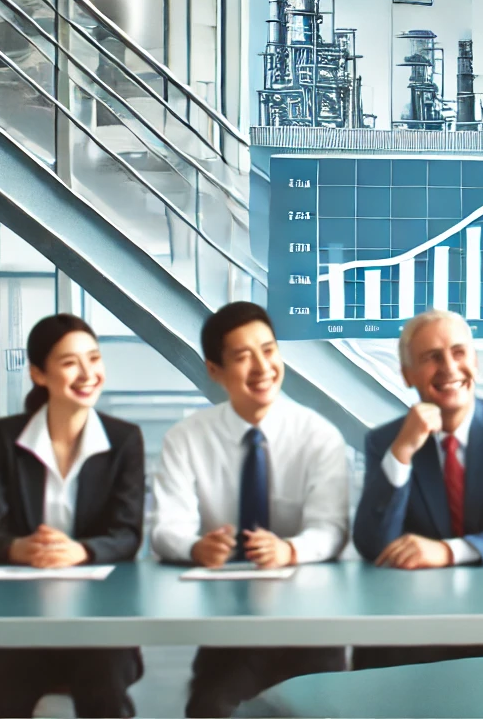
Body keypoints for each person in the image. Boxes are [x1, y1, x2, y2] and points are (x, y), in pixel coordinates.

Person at [150, 302, 350, 717]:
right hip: (229, 626)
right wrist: (194, 548)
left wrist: (290, 550)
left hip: (310, 625)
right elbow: (166, 528)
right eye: (243, 357)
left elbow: (331, 529)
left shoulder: (318, 435)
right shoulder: (186, 438)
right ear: (214, 370)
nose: (262, 367)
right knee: (210, 708)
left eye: (269, 350)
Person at [350, 309, 483, 669]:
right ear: (407, 374)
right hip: (415, 623)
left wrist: (446, 552)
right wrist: (402, 452)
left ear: (474, 361)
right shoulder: (385, 441)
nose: (449, 367)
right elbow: (372, 546)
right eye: (431, 357)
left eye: (459, 352)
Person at [0, 314, 145, 718]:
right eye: (70, 363)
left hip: (100, 620)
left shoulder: (123, 439)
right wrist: (19, 548)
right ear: (38, 374)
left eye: (94, 358)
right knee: (1, 702)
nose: (88, 373)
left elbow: (127, 534)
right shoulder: (3, 437)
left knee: (105, 698)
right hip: (21, 619)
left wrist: (78, 552)